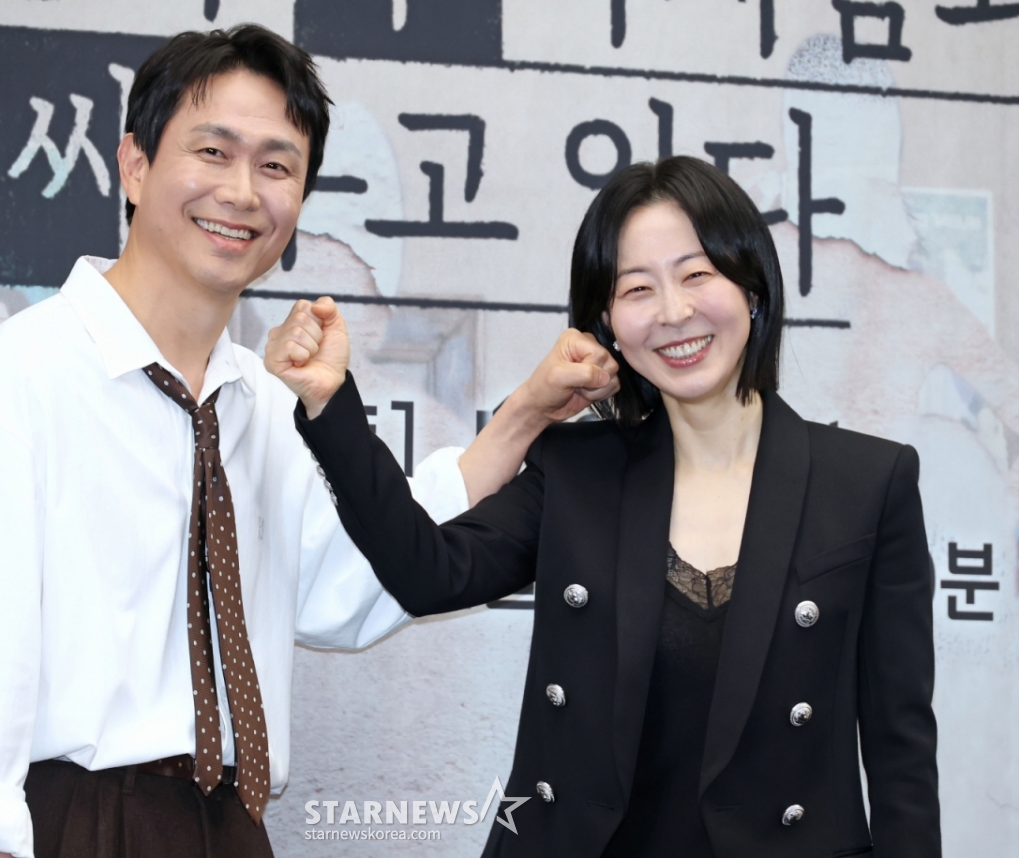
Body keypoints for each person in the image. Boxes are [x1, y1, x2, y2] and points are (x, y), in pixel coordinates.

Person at [0, 26, 611, 858]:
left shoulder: (262, 404)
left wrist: (524, 416)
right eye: (213, 152)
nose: (241, 192)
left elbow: (366, 578)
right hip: (69, 823)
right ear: (133, 162)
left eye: (276, 166)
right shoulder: (15, 383)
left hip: (230, 826)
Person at [270, 155, 940, 857]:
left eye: (697, 274)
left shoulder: (869, 481)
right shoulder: (578, 470)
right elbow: (428, 571)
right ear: (607, 324)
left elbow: (900, 751)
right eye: (637, 289)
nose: (674, 312)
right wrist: (330, 405)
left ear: (752, 286)